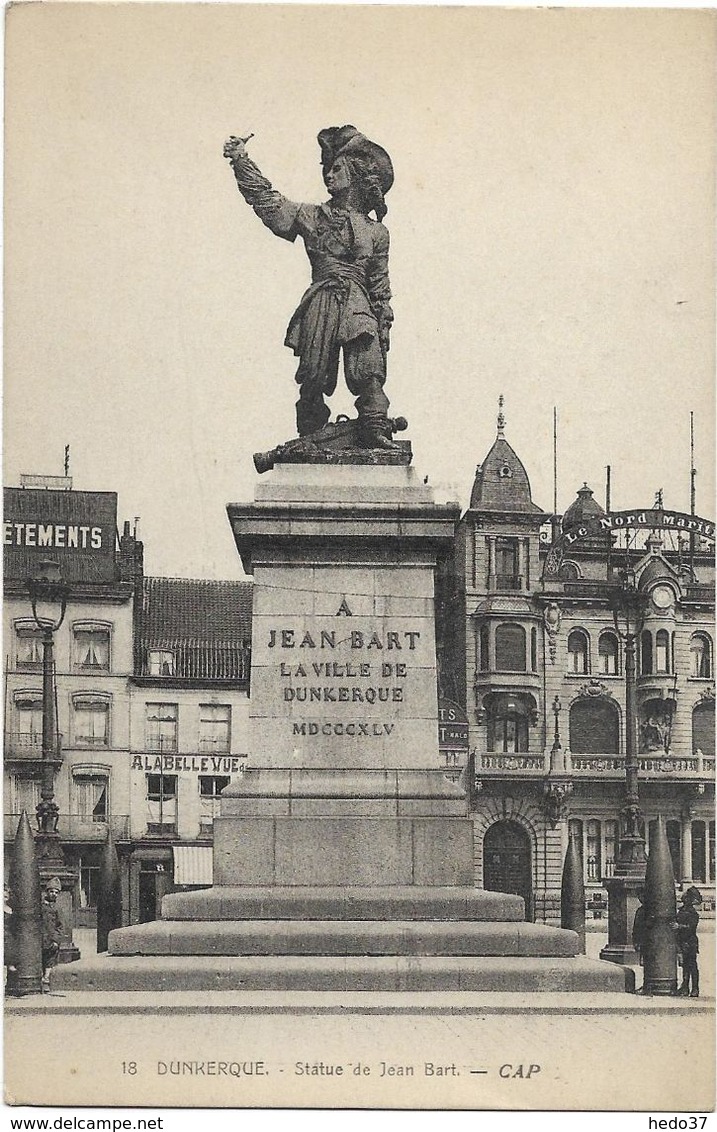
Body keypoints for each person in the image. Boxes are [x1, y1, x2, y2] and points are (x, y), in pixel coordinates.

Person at [223, 127, 397, 448]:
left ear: (356, 175)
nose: (328, 176)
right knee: (313, 375)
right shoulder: (311, 216)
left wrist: (384, 323)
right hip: (321, 302)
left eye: (336, 169)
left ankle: (375, 429)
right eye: (326, 170)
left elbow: (380, 285)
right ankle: (310, 437)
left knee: (368, 368)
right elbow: (269, 204)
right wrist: (241, 161)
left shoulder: (377, 232)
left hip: (358, 304)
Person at [676, 886, 702, 998]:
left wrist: (678, 926)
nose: (684, 897)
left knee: (691, 965)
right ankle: (685, 987)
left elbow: (690, 927)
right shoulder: (682, 910)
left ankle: (695, 988)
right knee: (685, 966)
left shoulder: (693, 913)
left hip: (689, 942)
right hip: (682, 941)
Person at [41, 876, 62, 990]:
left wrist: (56, 941)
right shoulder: (40, 906)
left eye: (56, 892)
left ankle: (46, 981)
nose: (54, 894)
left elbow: (60, 926)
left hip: (51, 940)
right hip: (40, 939)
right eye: (52, 891)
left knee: (50, 961)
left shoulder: (57, 909)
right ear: (47, 892)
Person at [631, 888, 647, 992]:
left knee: (647, 963)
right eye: (639, 896)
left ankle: (647, 985)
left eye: (642, 896)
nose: (640, 898)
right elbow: (636, 927)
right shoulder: (640, 910)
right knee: (644, 964)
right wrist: (635, 941)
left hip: (647, 942)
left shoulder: (646, 911)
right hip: (642, 941)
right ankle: (645, 984)